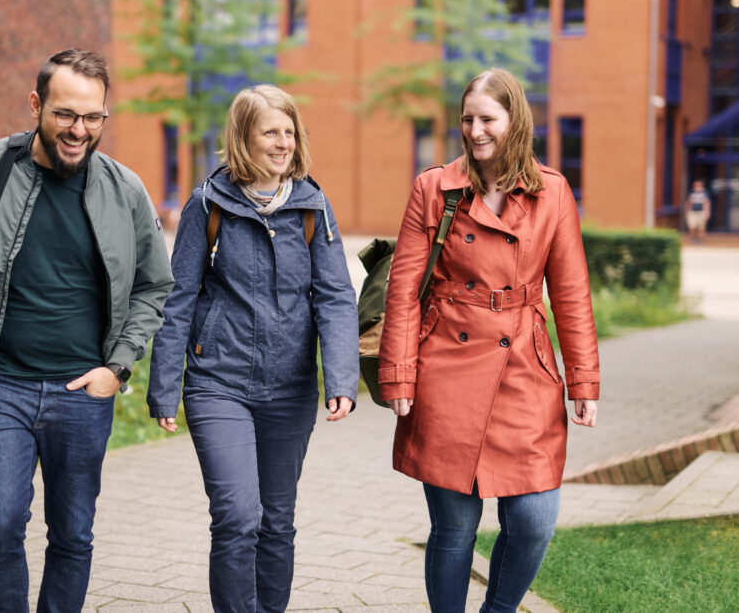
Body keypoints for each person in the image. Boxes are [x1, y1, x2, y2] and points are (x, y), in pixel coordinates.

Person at [0, 48, 174, 612]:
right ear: (36, 105)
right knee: (0, 523)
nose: (79, 130)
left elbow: (155, 285)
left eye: (93, 117)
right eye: (65, 114)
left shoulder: (124, 189)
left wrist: (118, 367)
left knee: (73, 535)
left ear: (105, 116)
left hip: (83, 393)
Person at [377, 68, 599, 612]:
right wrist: (398, 373)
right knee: (453, 528)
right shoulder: (435, 188)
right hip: (446, 367)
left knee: (534, 520)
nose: (475, 131)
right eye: (467, 119)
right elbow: (403, 289)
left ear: (514, 121)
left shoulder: (552, 192)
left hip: (525, 368)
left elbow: (570, 294)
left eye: (487, 119)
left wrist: (584, 380)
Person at [147, 84, 359, 613]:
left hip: (289, 390)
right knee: (238, 515)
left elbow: (335, 298)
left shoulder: (313, 207)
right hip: (218, 382)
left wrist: (341, 380)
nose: (283, 142)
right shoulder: (208, 204)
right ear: (244, 136)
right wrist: (165, 385)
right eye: (271, 131)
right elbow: (180, 296)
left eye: (290, 132)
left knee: (276, 521)